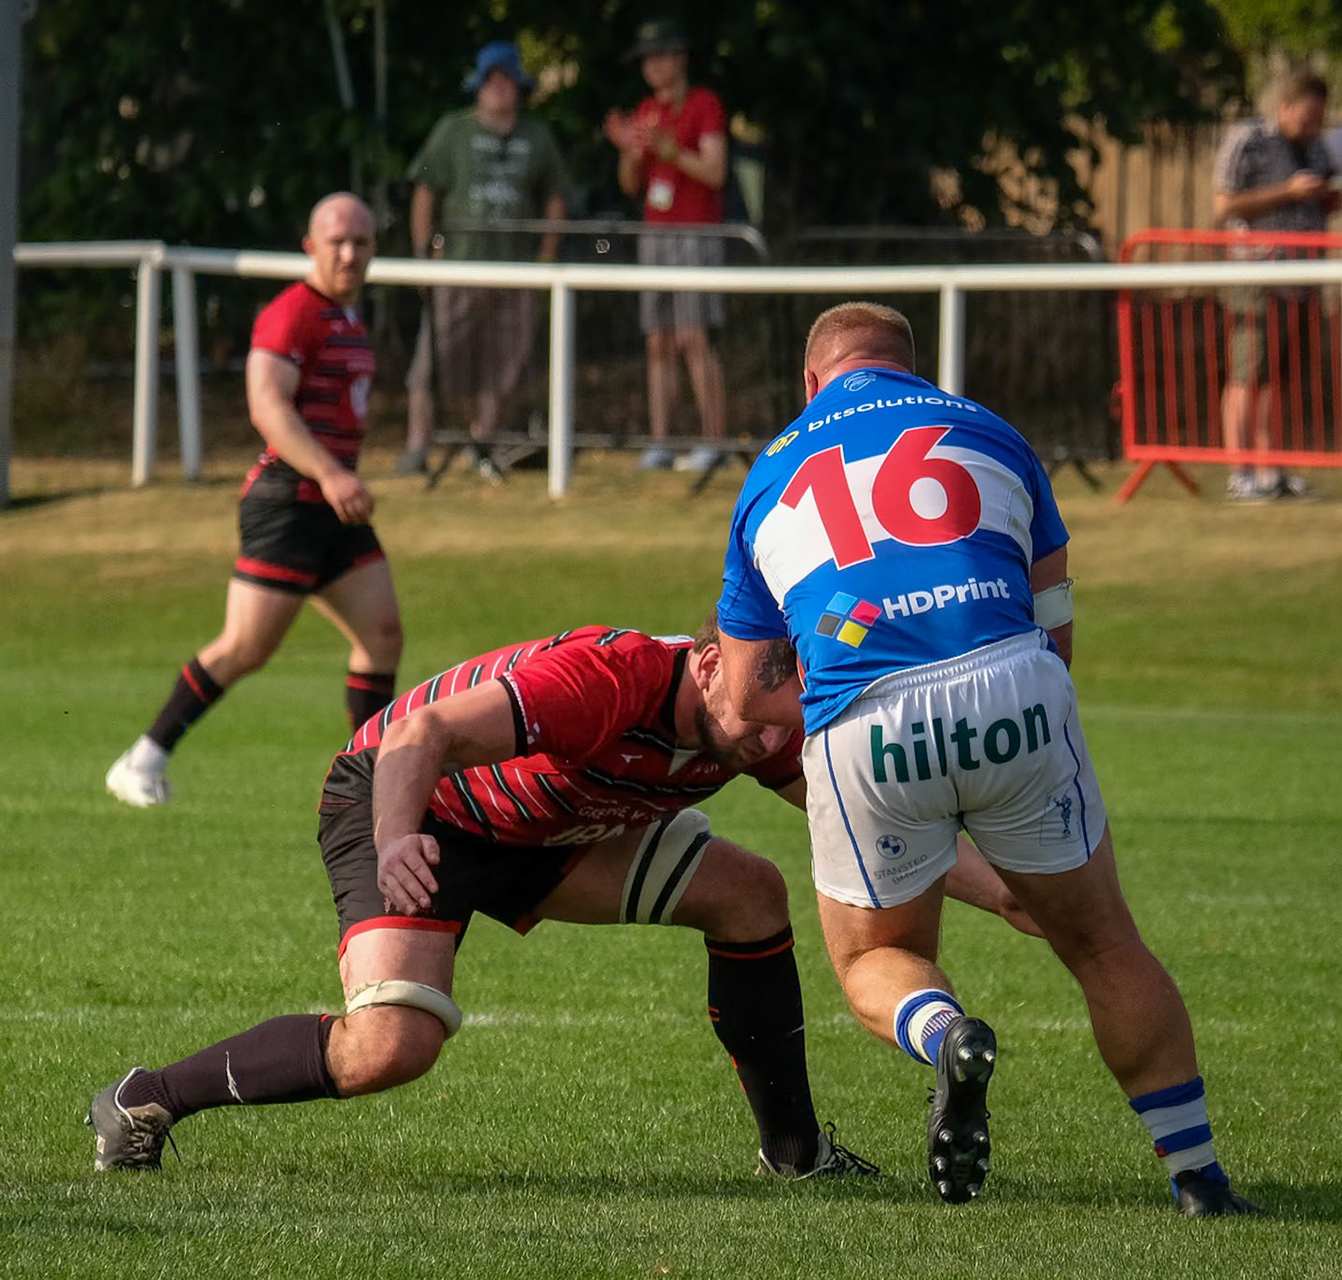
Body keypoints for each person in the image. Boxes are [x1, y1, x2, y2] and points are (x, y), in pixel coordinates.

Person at [88, 617, 1045, 1178]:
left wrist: (1004, 893)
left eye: (783, 727)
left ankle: (796, 1154)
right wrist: (395, 840)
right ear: (710, 661)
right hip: (414, 804)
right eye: (759, 723)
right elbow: (418, 735)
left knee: (751, 894)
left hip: (547, 830)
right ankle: (145, 1099)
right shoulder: (608, 679)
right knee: (390, 1047)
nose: (768, 744)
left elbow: (864, 821)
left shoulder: (764, 719)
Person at [712, 301, 1260, 1217]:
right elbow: (1055, 619)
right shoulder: (989, 431)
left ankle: (948, 1037)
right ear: (912, 369)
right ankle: (1199, 1178)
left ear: (811, 383)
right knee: (1104, 945)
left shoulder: (770, 470)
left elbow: (742, 696)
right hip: (1014, 686)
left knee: (877, 956)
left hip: (866, 717)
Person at [105, 194, 399, 808]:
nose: (350, 254)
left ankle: (368, 781)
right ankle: (142, 758)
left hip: (332, 507)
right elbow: (267, 406)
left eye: (361, 242)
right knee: (246, 647)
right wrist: (331, 474)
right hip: (289, 502)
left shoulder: (349, 317)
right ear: (310, 247)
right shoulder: (293, 313)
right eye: (337, 242)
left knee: (383, 634)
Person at [400, 41, 569, 481]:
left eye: (505, 79)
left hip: (515, 272)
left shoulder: (537, 137)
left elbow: (556, 195)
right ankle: (417, 446)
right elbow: (424, 191)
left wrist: (546, 256)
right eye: (489, 80)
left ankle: (483, 444)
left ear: (519, 87)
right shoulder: (452, 131)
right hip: (458, 266)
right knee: (432, 360)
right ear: (477, 86)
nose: (497, 88)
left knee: (503, 366)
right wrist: (422, 256)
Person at [602, 18, 729, 473]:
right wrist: (631, 151)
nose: (652, 67)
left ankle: (715, 442)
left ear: (679, 58)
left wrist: (668, 147)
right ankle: (661, 443)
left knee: (693, 336)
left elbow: (715, 171)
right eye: (646, 60)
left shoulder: (705, 104)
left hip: (697, 232)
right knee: (658, 340)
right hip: (654, 232)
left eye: (659, 57)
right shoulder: (646, 109)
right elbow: (629, 184)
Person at [1212, 70, 1338, 502]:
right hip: (1256, 275)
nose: (1312, 128)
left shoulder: (1318, 148)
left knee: (1278, 379)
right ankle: (1241, 474)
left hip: (1301, 280)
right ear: (1284, 106)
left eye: (1318, 120)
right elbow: (1224, 205)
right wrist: (1288, 191)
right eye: (1305, 119)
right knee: (1247, 374)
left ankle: (1271, 471)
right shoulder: (1249, 140)